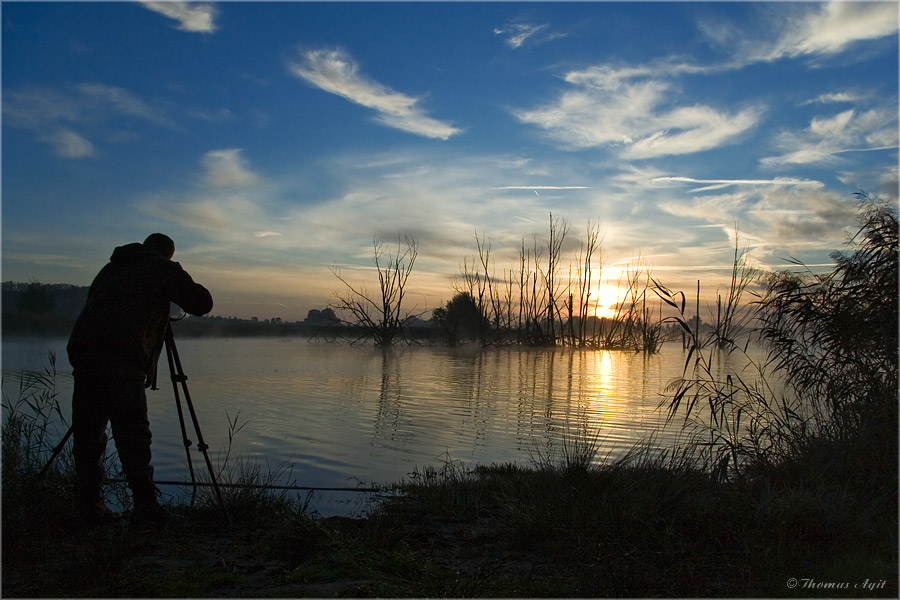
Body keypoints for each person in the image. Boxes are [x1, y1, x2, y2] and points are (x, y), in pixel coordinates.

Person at [67, 233, 213, 529]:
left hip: (84, 357)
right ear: (167, 254)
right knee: (133, 434)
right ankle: (146, 508)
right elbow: (202, 303)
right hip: (122, 358)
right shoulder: (161, 268)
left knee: (88, 435)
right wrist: (178, 274)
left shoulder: (110, 269)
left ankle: (88, 506)